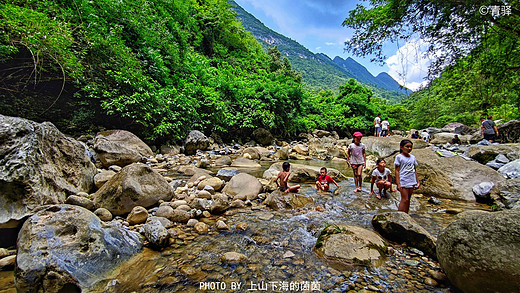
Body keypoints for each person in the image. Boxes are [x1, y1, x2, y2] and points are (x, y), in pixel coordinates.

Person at [394, 139, 420, 213]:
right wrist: (398, 183)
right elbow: (397, 170)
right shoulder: (399, 157)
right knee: (404, 199)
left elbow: (414, 170)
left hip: (411, 180)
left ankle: (406, 215)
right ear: (401, 147)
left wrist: (417, 182)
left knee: (408, 199)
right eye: (407, 147)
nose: (409, 149)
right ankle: (399, 215)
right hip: (403, 180)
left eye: (411, 147)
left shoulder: (413, 157)